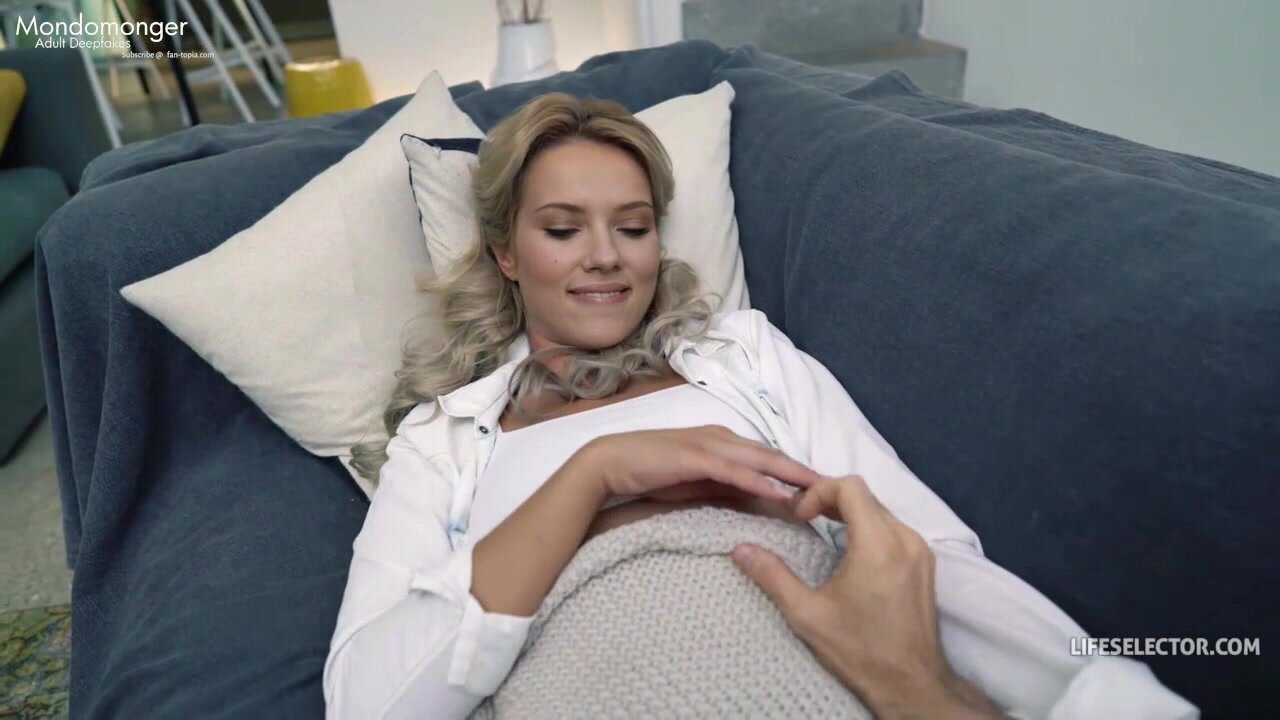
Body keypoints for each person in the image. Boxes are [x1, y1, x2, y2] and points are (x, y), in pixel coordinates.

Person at [323, 93, 1196, 719]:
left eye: (633, 226)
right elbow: (367, 703)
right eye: (562, 229)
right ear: (507, 254)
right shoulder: (444, 441)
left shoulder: (744, 358)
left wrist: (1096, 696)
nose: (606, 257)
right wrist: (596, 474)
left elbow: (918, 554)